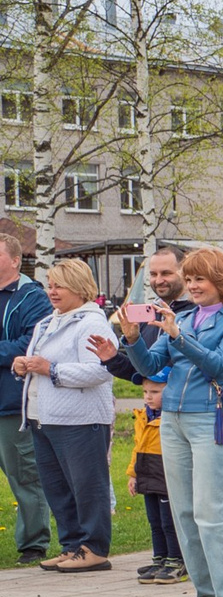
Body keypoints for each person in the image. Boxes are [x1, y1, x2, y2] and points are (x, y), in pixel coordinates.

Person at [125, 248, 223, 597]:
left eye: (202, 278)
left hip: (209, 418)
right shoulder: (181, 316)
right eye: (192, 278)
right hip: (173, 420)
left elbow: (218, 366)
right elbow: (151, 366)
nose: (195, 285)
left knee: (215, 513)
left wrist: (179, 337)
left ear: (222, 281)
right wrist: (132, 339)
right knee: (183, 512)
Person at [18, 260, 116, 571]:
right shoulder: (48, 322)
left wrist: (51, 369)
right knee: (57, 488)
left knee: (87, 486)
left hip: (81, 419)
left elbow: (101, 370)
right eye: (50, 284)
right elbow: (40, 363)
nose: (52, 291)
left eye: (59, 285)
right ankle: (72, 544)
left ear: (79, 286)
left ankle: (94, 547)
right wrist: (24, 365)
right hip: (44, 418)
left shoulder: (92, 323)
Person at [0, 232, 57, 563]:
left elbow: (30, 344)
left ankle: (33, 543)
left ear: (15, 260)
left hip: (11, 403)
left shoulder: (30, 296)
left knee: (24, 476)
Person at [129, 380, 180, 582]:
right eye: (145, 392)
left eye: (155, 392)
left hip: (165, 475)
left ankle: (176, 560)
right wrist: (133, 474)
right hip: (147, 474)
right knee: (155, 521)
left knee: (169, 522)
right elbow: (137, 447)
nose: (148, 396)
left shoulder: (171, 418)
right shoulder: (143, 416)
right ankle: (160, 558)